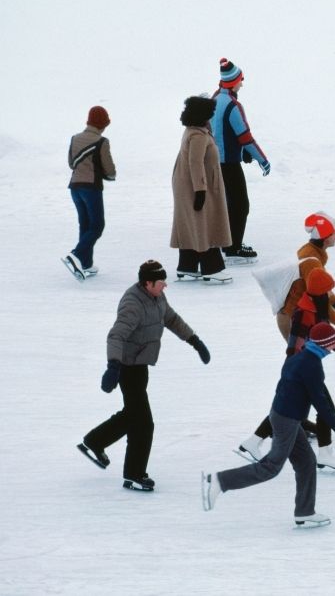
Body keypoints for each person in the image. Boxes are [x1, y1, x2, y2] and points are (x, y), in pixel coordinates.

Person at [201, 323, 335, 527]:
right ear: (324, 346)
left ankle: (305, 511)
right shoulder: (312, 366)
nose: (332, 349)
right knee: (271, 467)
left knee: (306, 462)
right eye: (331, 345)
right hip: (287, 420)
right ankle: (220, 482)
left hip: (283, 416)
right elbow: (321, 403)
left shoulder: (299, 357)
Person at [78, 260, 211, 490]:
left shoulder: (157, 297)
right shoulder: (133, 303)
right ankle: (134, 474)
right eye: (161, 282)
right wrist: (112, 366)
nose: (165, 286)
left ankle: (94, 442)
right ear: (147, 283)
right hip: (126, 368)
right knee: (144, 423)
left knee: (132, 415)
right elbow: (116, 336)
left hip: (140, 365)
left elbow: (171, 319)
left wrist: (195, 341)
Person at [237, 268, 335, 471]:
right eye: (327, 290)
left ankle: (254, 441)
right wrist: (301, 369)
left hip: (302, 367)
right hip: (300, 367)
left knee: (288, 409)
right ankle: (325, 453)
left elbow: (326, 337)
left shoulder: (317, 307)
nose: (329, 294)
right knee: (320, 408)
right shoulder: (304, 312)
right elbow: (295, 344)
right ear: (319, 291)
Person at [211, 57, 271, 262]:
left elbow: (220, 132)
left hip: (213, 161)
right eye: (241, 79)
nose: (242, 83)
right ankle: (233, 247)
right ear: (233, 82)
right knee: (240, 205)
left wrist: (241, 150)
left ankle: (226, 243)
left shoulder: (215, 98)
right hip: (228, 163)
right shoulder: (233, 105)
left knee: (226, 204)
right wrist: (261, 159)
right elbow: (244, 135)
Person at [170, 96, 232, 283]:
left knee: (193, 223)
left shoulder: (196, 132)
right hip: (197, 186)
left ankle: (187, 265)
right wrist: (200, 190)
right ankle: (211, 268)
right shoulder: (197, 136)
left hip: (191, 184)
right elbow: (195, 163)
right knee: (206, 223)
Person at [275, 212, 335, 346]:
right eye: (334, 233)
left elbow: (323, 291)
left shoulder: (313, 252)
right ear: (325, 237)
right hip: (294, 319)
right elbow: (320, 300)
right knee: (304, 360)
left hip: (300, 314)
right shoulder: (311, 261)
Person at [63, 105, 116, 281]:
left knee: (85, 225)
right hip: (91, 188)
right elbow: (108, 168)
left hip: (75, 187)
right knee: (97, 225)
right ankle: (76, 255)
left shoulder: (74, 138)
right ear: (103, 124)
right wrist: (110, 175)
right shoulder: (102, 142)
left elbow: (71, 163)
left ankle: (85, 264)